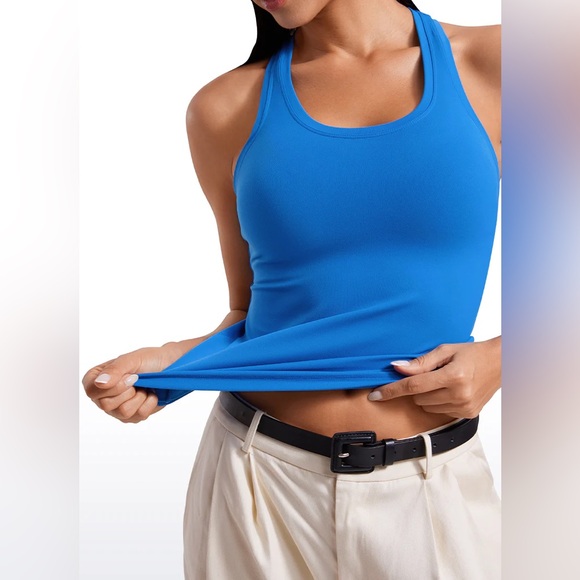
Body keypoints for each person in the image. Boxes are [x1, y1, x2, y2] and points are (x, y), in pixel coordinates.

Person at [83, 0, 501, 578]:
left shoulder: (498, 63)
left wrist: (506, 357)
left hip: (431, 488)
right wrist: (175, 361)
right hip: (254, 488)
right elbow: (251, 312)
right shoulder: (226, 107)